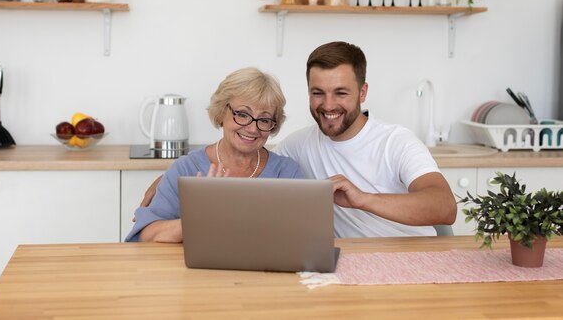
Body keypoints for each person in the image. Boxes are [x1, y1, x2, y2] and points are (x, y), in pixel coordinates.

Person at [272, 41, 456, 237]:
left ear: (362, 92)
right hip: (351, 259)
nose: (328, 105)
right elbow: (255, 168)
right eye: (318, 93)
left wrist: (362, 199)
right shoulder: (299, 144)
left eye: (340, 93)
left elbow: (445, 207)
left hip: (411, 256)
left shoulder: (396, 142)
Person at [125, 67, 306, 243]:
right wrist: (201, 218)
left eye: (264, 120)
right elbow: (145, 236)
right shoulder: (186, 169)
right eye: (242, 114)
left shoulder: (287, 172)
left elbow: (304, 239)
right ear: (221, 113)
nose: (252, 128)